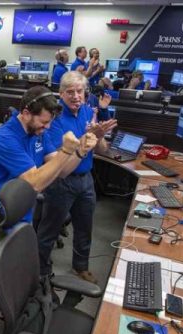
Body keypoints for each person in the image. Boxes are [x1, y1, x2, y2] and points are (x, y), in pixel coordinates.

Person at [0, 86, 97, 334]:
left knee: (20, 273)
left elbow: (61, 171)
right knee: (1, 279)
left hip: (24, 213)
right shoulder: (5, 138)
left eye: (48, 124)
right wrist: (66, 152)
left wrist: (80, 151)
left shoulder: (37, 132)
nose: (45, 128)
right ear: (25, 113)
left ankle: (10, 317)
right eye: (42, 123)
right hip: (0, 217)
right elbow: (35, 182)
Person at [36, 71, 118, 284]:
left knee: (85, 227)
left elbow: (101, 150)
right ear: (61, 94)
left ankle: (80, 267)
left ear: (85, 93)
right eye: (70, 92)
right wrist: (87, 138)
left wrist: (98, 136)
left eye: (80, 91)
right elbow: (61, 161)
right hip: (61, 182)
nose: (76, 96)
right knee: (49, 230)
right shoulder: (53, 120)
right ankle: (40, 270)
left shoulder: (85, 112)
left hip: (86, 180)